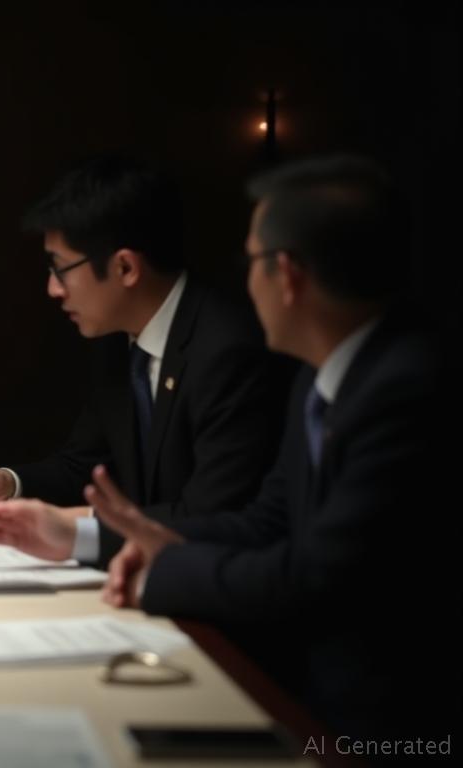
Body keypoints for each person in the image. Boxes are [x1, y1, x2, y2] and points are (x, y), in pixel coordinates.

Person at [89, 155, 457, 740]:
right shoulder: (320, 374)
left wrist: (166, 572)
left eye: (251, 261)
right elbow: (269, 520)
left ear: (286, 274)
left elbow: (315, 578)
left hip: (387, 726)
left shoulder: (406, 389)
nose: (245, 282)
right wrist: (153, 539)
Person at [0, 157, 291, 566]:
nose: (53, 289)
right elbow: (86, 465)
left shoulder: (227, 350)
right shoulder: (116, 339)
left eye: (60, 269)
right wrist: (9, 482)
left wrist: (77, 527)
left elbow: (212, 513)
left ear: (126, 267)